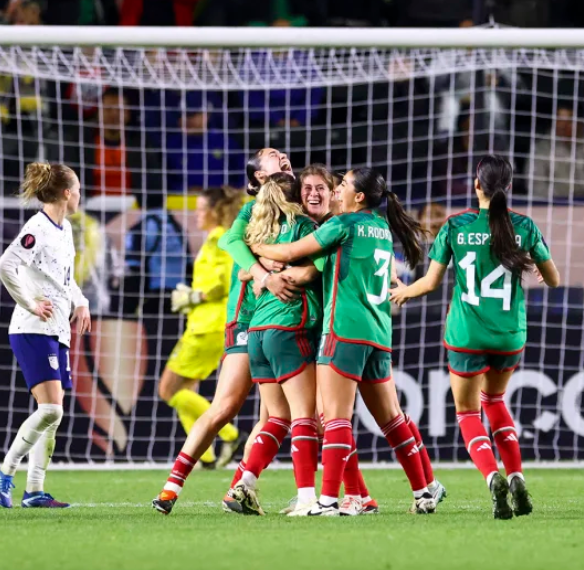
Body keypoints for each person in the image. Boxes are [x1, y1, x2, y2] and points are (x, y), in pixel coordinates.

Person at [249, 168, 435, 516]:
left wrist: (255, 246)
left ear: (359, 196)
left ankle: (328, 500)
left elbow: (292, 251)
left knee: (333, 419)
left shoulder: (343, 225)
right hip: (378, 334)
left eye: (343, 185)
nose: (337, 191)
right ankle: (425, 492)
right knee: (393, 420)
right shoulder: (381, 228)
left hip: (343, 331)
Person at [389, 156, 559, 519]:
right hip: (509, 335)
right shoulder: (525, 227)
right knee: (495, 400)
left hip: (467, 334)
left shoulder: (455, 226)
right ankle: (516, 476)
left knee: (468, 412)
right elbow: (554, 278)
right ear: (509, 187)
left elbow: (430, 282)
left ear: (476, 185)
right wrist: (545, 275)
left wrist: (404, 292)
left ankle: (492, 476)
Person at [152, 148, 291, 515]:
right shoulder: (251, 212)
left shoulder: (295, 209)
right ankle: (172, 486)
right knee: (227, 407)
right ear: (260, 177)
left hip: (280, 319)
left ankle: (240, 488)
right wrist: (260, 271)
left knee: (272, 416)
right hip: (245, 319)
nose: (283, 155)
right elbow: (233, 244)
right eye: (272, 156)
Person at [222, 173, 323, 516]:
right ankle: (308, 497)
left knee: (276, 417)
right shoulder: (306, 227)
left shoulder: (259, 233)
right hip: (289, 327)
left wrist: (259, 270)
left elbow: (242, 271)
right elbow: (315, 269)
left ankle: (245, 484)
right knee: (304, 416)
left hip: (257, 333)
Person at [0, 163, 92, 509]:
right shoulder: (37, 226)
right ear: (66, 193)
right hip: (32, 328)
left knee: (54, 412)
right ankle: (5, 471)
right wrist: (31, 302)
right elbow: (4, 265)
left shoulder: (63, 228)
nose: (80, 194)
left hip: (56, 329)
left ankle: (35, 490)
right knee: (50, 409)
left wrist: (81, 302)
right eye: (77, 188)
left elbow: (63, 278)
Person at [159, 186, 243, 469]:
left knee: (168, 391)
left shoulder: (221, 239)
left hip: (208, 326)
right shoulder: (213, 238)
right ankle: (204, 457)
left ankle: (231, 434)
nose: (196, 214)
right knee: (186, 389)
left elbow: (227, 281)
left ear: (216, 211)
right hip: (204, 323)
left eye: (201, 208)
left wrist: (194, 297)